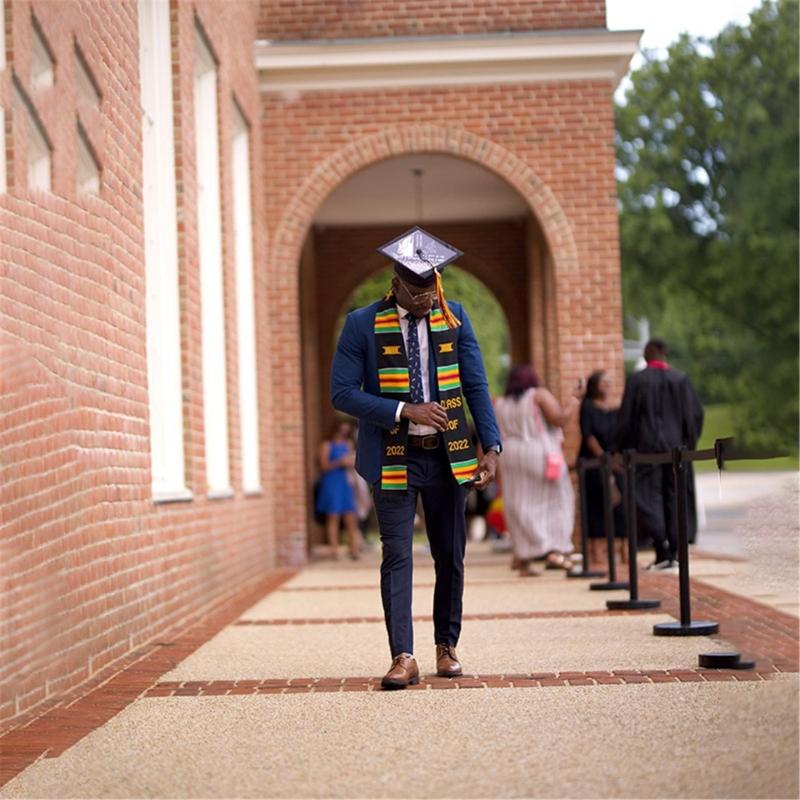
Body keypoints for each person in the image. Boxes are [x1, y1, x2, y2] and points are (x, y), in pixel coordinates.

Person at [331, 226, 502, 689]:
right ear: (398, 283)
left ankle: (446, 646)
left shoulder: (455, 317)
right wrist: (404, 410)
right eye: (419, 291)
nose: (428, 298)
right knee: (397, 556)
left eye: (434, 289)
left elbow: (476, 386)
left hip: (450, 458)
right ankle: (402, 656)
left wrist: (492, 446)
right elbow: (342, 393)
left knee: (451, 555)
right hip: (394, 454)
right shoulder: (361, 324)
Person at [615, 338, 704, 570]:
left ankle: (662, 544)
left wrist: (620, 447)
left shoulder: (637, 380)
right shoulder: (681, 380)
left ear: (649, 353)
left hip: (646, 451)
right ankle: (673, 548)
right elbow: (695, 416)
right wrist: (688, 444)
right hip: (676, 450)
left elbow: (627, 419)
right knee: (674, 495)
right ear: (664, 354)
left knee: (647, 497)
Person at [494, 365, 578, 576]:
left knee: (518, 505)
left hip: (510, 456)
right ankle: (554, 550)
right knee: (557, 500)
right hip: (538, 453)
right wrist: (574, 401)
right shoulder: (537, 395)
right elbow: (559, 418)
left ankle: (522, 558)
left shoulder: (500, 403)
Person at [579, 371, 626, 568]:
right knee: (596, 506)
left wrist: (615, 459)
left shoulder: (614, 411)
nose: (607, 386)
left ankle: (624, 550)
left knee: (621, 506)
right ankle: (596, 552)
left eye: (610, 382)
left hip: (614, 462)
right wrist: (603, 458)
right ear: (595, 385)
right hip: (594, 463)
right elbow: (589, 436)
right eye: (603, 382)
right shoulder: (588, 407)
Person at [316, 420, 364, 561]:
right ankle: (334, 550)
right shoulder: (326, 445)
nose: (343, 434)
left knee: (350, 516)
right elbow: (323, 466)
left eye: (346, 431)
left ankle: (353, 549)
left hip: (346, 482)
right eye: (340, 431)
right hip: (331, 482)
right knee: (333, 516)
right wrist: (339, 462)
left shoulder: (348, 444)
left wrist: (351, 462)